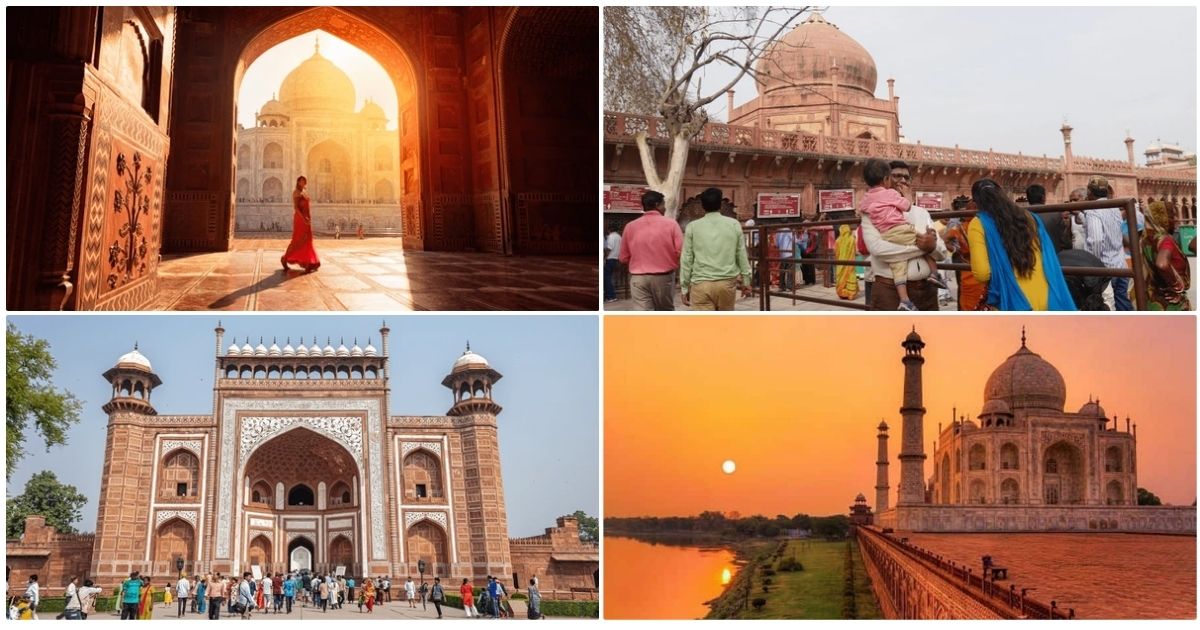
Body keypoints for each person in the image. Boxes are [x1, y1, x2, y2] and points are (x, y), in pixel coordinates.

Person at [967, 178, 1075, 310]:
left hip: (1014, 300)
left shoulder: (978, 224)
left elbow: (982, 273)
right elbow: (1047, 256)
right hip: (1048, 297)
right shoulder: (1030, 217)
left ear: (976, 201)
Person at [858, 158, 947, 310]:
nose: (903, 180)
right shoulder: (872, 212)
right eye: (897, 176)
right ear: (886, 180)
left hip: (927, 291)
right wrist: (924, 248)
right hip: (890, 291)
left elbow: (941, 251)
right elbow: (878, 250)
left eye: (906, 177)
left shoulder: (921, 213)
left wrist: (932, 246)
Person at [679, 187, 752, 310]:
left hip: (701, 284)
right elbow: (741, 254)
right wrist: (746, 281)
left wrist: (684, 287)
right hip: (726, 284)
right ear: (720, 205)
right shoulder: (734, 224)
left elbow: (686, 259)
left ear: (702, 206)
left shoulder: (692, 227)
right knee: (724, 326)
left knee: (704, 328)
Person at [617, 191, 684, 310]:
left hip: (638, 279)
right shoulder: (671, 224)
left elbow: (623, 257)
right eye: (664, 204)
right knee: (665, 314)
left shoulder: (630, 226)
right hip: (663, 278)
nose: (665, 208)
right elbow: (681, 251)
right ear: (658, 205)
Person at [1081, 176, 1131, 310]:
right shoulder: (1114, 208)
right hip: (1121, 265)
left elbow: (1096, 240)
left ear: (1089, 192)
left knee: (1107, 306)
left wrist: (1093, 265)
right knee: (1123, 303)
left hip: (1105, 268)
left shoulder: (1094, 210)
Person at [1141, 200, 1191, 310]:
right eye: (1172, 216)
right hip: (1171, 305)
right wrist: (1176, 287)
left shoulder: (1145, 240)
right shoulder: (1165, 240)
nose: (1176, 220)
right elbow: (1162, 264)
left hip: (1153, 300)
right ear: (1162, 218)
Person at [943, 200, 985, 311]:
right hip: (983, 266)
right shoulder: (985, 225)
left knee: (966, 299)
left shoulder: (960, 228)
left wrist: (957, 249)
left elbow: (944, 239)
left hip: (966, 266)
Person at [281, 175, 321, 272]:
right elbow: (296, 208)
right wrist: (303, 219)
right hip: (300, 219)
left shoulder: (304, 193)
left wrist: (307, 218)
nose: (302, 183)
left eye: (304, 181)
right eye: (301, 181)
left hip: (307, 219)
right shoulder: (296, 193)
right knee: (297, 241)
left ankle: (308, 261)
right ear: (298, 182)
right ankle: (285, 259)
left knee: (307, 240)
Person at [834, 224, 858, 300]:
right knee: (850, 276)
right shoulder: (852, 239)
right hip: (850, 262)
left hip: (841, 263)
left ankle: (842, 293)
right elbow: (855, 250)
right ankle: (851, 294)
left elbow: (836, 252)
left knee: (841, 277)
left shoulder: (838, 240)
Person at [774, 226, 796, 291]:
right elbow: (794, 240)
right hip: (789, 253)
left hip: (782, 254)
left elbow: (776, 244)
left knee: (782, 271)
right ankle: (789, 286)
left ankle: (781, 286)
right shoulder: (789, 230)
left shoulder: (778, 232)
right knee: (790, 270)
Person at [604, 227, 622, 302]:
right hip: (616, 259)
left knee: (607, 278)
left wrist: (605, 257)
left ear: (609, 230)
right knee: (610, 277)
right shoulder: (619, 236)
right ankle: (610, 295)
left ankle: (610, 296)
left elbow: (609, 248)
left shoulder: (611, 237)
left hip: (610, 259)